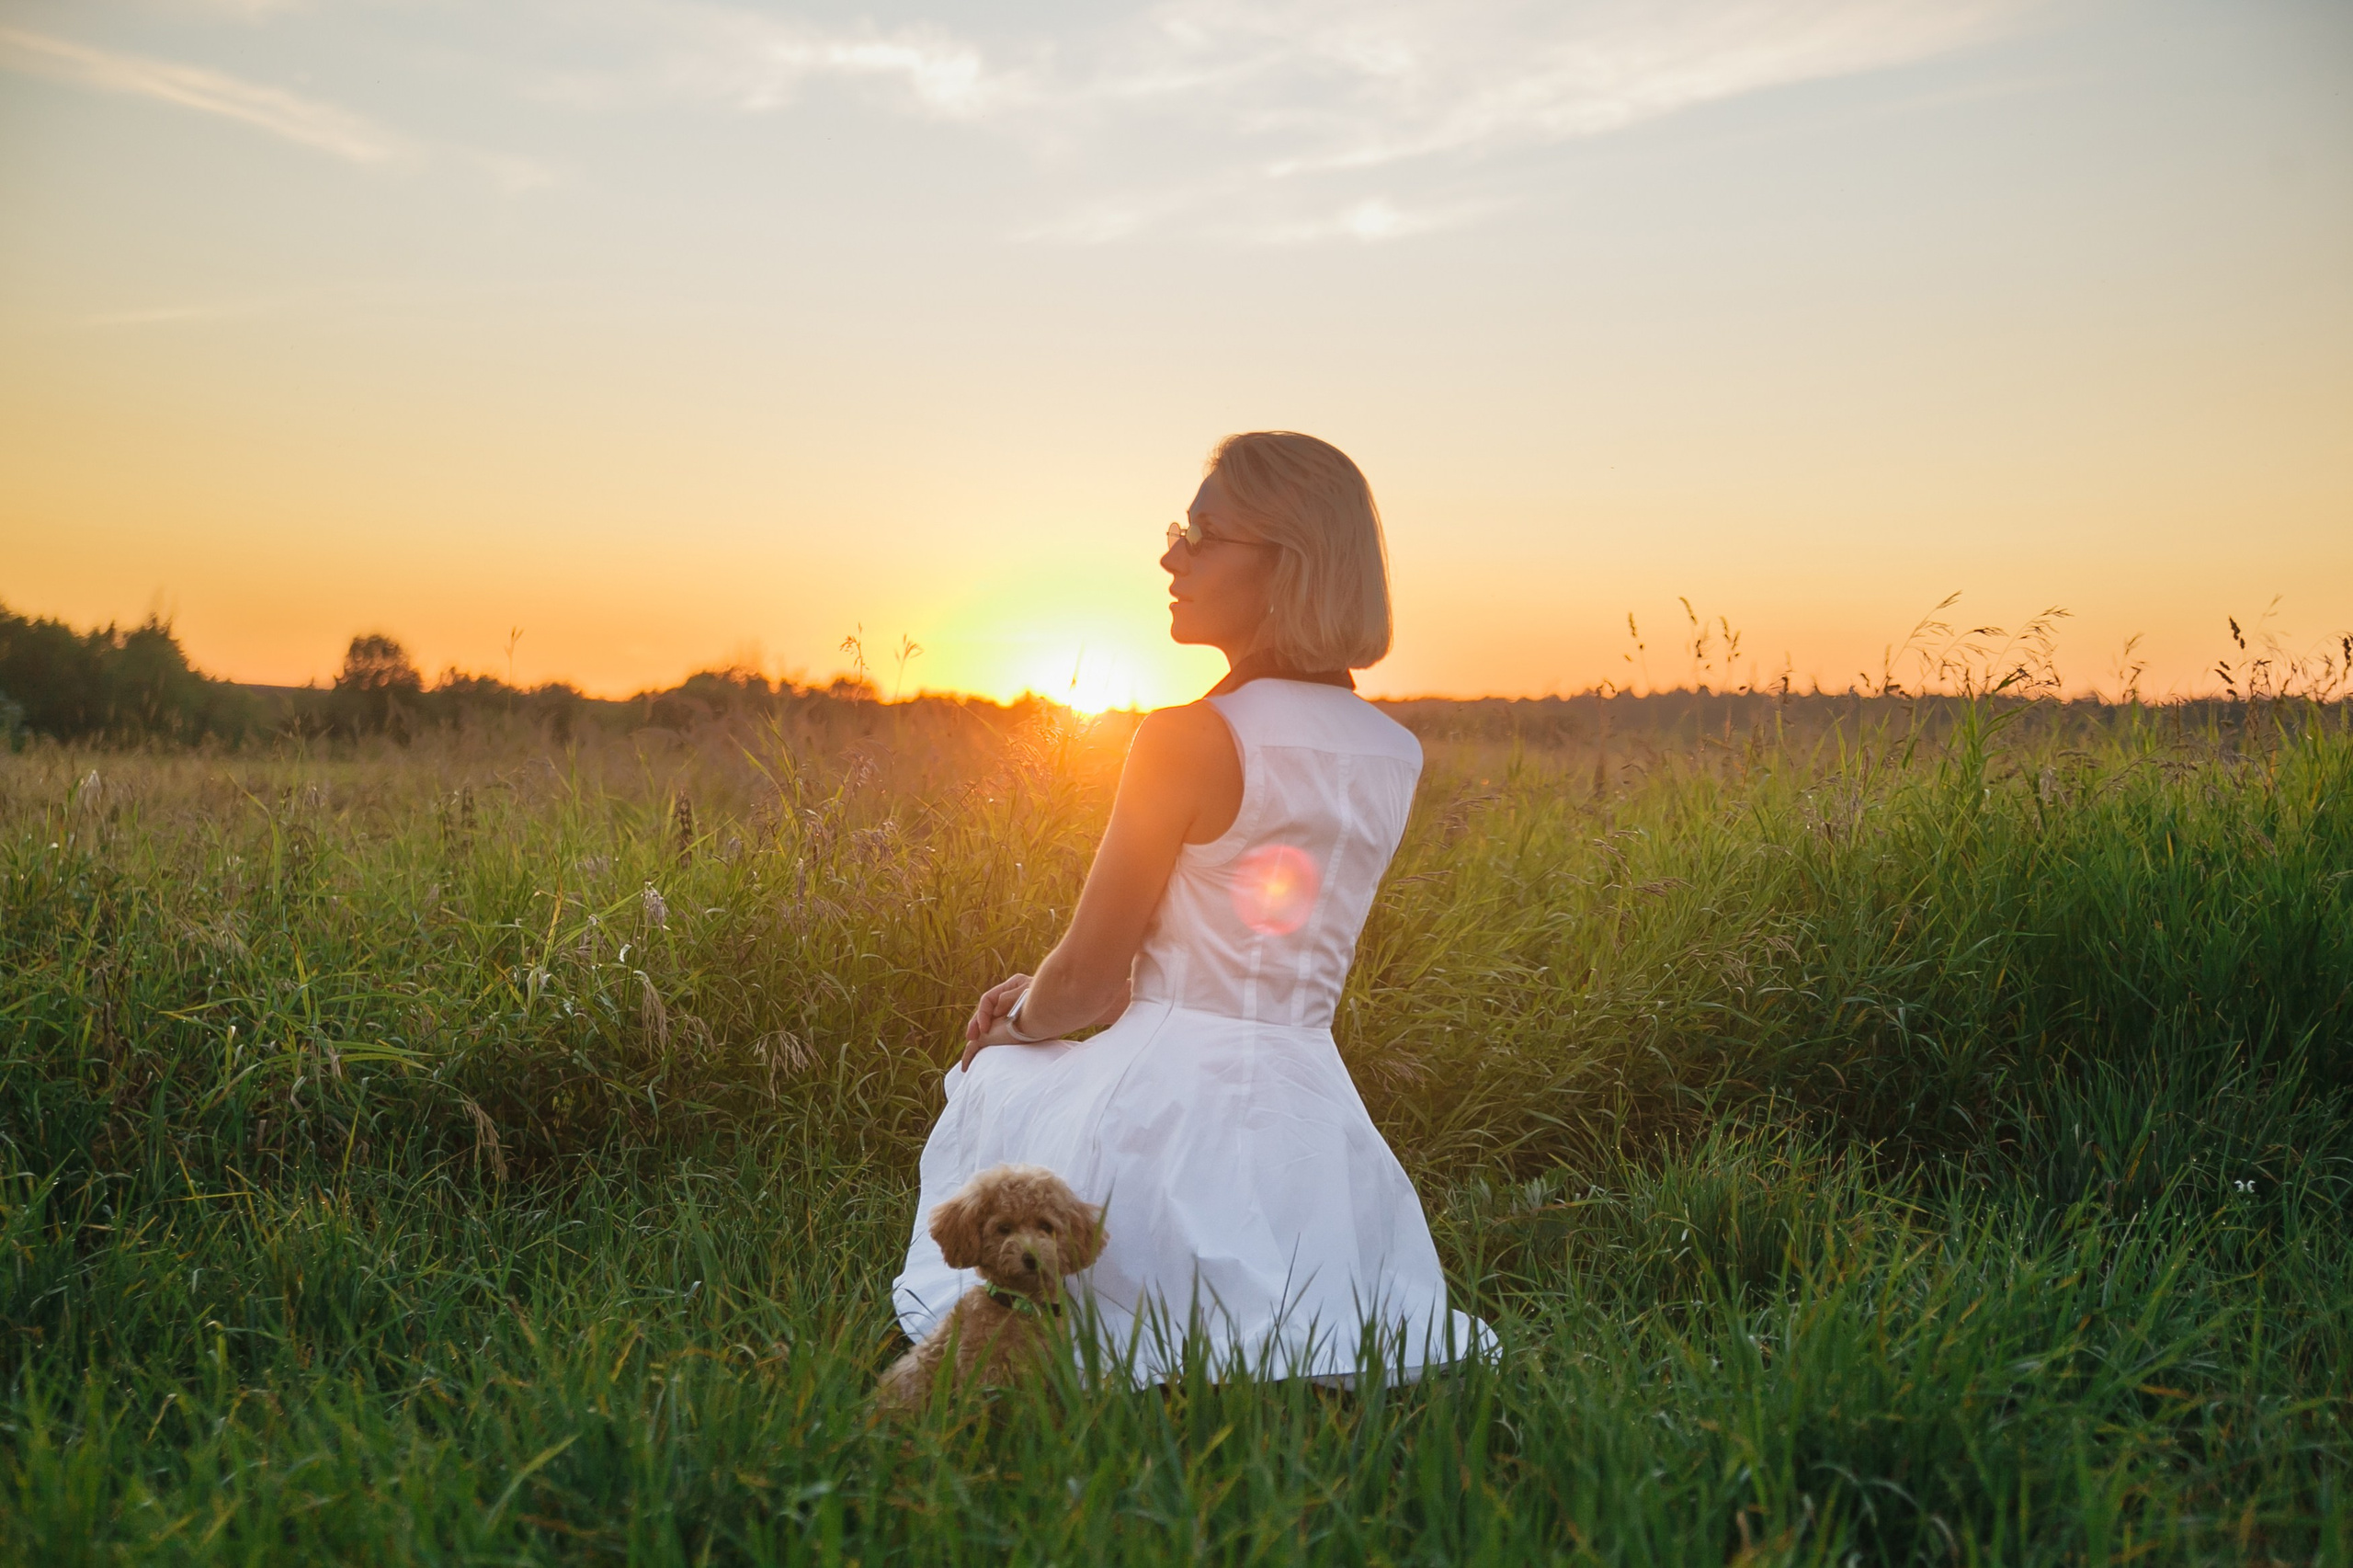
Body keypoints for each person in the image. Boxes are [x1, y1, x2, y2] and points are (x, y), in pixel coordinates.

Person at [892, 431, 1493, 1386]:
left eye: (1201, 534)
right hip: (1312, 1119)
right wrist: (1057, 989)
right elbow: (1236, 944)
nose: (1170, 556)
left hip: (1164, 1111)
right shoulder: (1393, 751)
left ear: (1286, 563)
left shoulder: (1187, 736)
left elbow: (1091, 984)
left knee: (995, 1076)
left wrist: (1016, 1020)